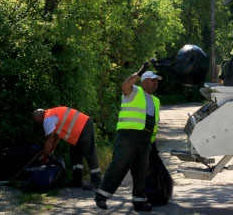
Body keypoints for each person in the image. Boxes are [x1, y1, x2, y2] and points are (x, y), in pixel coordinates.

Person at [95, 62, 161, 212]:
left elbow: (154, 124)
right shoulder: (133, 92)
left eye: (156, 81)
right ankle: (101, 196)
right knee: (119, 165)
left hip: (145, 140)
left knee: (141, 171)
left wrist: (152, 143)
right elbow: (125, 85)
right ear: (144, 81)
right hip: (127, 136)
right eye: (153, 80)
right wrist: (139, 72)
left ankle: (139, 200)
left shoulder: (156, 101)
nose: (155, 83)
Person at [32, 106, 102, 190]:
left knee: (89, 153)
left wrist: (44, 157)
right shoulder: (51, 114)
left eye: (38, 122)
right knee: (75, 153)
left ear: (40, 117)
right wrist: (50, 151)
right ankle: (76, 181)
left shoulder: (47, 119)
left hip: (83, 126)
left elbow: (49, 140)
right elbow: (56, 137)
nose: (40, 124)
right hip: (78, 129)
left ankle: (97, 182)